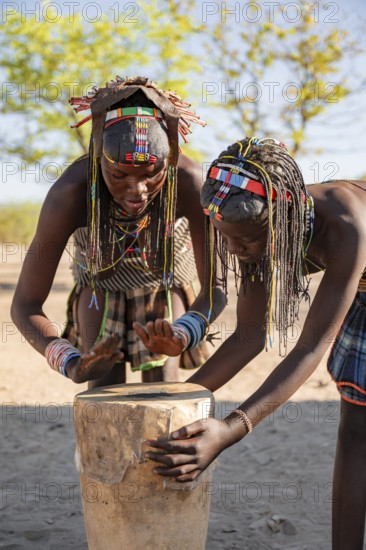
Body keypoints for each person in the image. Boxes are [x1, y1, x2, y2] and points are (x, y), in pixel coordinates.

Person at [141, 137, 366, 550]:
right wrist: (175, 399)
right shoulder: (253, 229)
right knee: (355, 430)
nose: (234, 250)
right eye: (225, 238)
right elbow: (249, 336)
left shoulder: (345, 226)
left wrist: (231, 428)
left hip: (359, 280)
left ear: (285, 220)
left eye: (244, 241)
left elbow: (310, 347)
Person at [11, 76, 225, 388]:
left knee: (161, 390)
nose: (137, 189)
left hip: (164, 287)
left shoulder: (188, 183)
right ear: (99, 159)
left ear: (172, 158)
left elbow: (215, 289)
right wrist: (70, 361)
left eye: (153, 174)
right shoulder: (71, 193)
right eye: (118, 174)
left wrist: (182, 334)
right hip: (99, 289)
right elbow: (25, 305)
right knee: (102, 387)